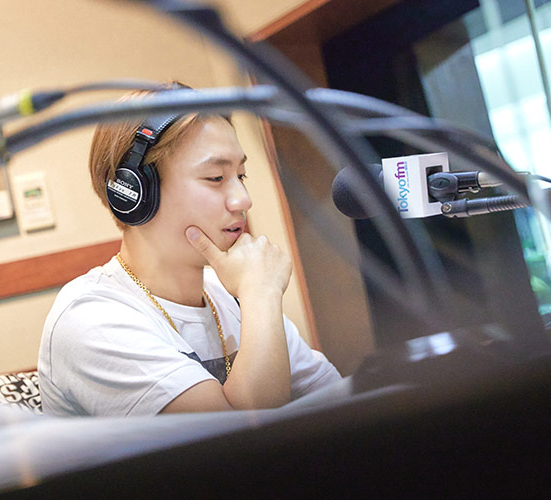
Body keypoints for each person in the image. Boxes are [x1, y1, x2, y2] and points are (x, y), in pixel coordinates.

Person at [38, 85, 342, 417]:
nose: (243, 200)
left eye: (241, 175)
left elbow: (335, 400)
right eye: (215, 177)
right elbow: (242, 437)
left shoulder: (231, 291)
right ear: (134, 193)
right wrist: (262, 293)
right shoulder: (91, 318)